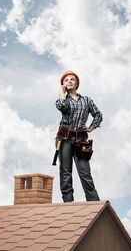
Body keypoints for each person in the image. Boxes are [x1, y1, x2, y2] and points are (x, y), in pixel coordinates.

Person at [55, 70, 102, 202]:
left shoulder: (87, 100)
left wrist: (90, 128)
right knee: (65, 172)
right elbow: (62, 107)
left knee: (85, 172)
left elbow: (98, 115)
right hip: (64, 139)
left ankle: (94, 202)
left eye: (72, 79)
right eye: (66, 80)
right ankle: (68, 203)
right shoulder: (62, 100)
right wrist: (61, 93)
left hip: (81, 139)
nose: (69, 81)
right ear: (63, 85)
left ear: (77, 84)